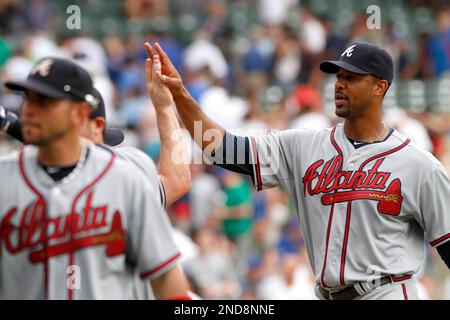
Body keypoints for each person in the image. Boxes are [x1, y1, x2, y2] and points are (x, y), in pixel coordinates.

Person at [146, 41, 450, 300]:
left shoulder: (418, 165)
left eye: (353, 77)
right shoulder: (302, 145)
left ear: (380, 87)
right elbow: (221, 148)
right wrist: (181, 96)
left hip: (389, 292)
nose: (340, 83)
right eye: (339, 76)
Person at [0, 57, 190, 299]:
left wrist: (164, 109)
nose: (29, 111)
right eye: (28, 100)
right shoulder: (7, 175)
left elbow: (167, 279)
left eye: (45, 101)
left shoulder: (126, 172)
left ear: (81, 115)